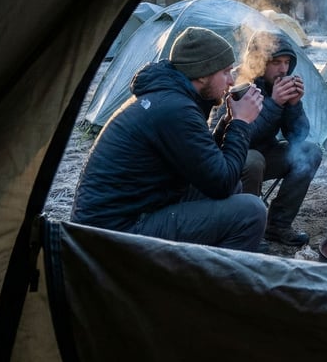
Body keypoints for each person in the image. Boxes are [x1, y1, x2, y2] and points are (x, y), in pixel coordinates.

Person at [71, 26, 268, 253]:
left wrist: (229, 120)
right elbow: (220, 182)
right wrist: (241, 123)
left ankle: (200, 263)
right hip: (111, 234)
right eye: (225, 72)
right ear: (203, 73)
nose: (231, 82)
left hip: (128, 214)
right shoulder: (174, 109)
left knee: (235, 185)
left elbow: (206, 163)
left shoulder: (171, 98)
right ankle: (213, 284)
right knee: (251, 212)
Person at [215, 30, 322, 247]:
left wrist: (294, 105)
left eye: (286, 62)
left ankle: (278, 225)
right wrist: (274, 104)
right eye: (276, 62)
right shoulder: (236, 84)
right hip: (229, 158)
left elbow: (298, 137)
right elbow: (241, 133)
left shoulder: (278, 85)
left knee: (310, 152)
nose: (283, 69)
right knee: (254, 159)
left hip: (265, 154)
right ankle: (247, 229)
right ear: (261, 63)